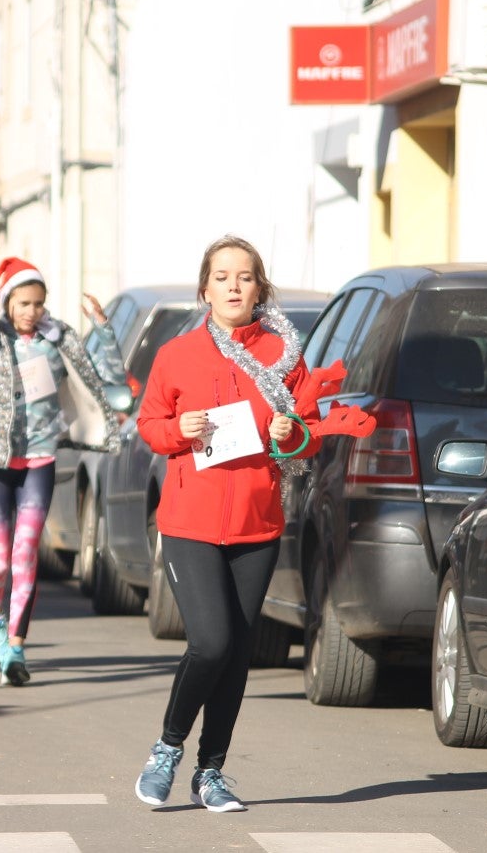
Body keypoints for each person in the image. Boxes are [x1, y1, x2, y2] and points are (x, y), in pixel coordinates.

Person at [131, 235, 324, 812]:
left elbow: (307, 429)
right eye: (222, 277)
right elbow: (150, 424)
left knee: (238, 652)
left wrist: (294, 435)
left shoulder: (283, 354)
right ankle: (167, 748)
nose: (234, 286)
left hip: (257, 524)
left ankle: (210, 771)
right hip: (190, 520)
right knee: (211, 643)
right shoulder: (177, 354)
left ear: (260, 287)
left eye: (245, 277)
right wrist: (178, 430)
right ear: (205, 289)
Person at [0, 256, 127, 686]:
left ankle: (15, 646)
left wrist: (103, 328)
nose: (31, 312)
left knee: (25, 551)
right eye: (23, 302)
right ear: (7, 300)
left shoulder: (57, 336)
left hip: (40, 458)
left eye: (38, 303)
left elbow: (110, 378)